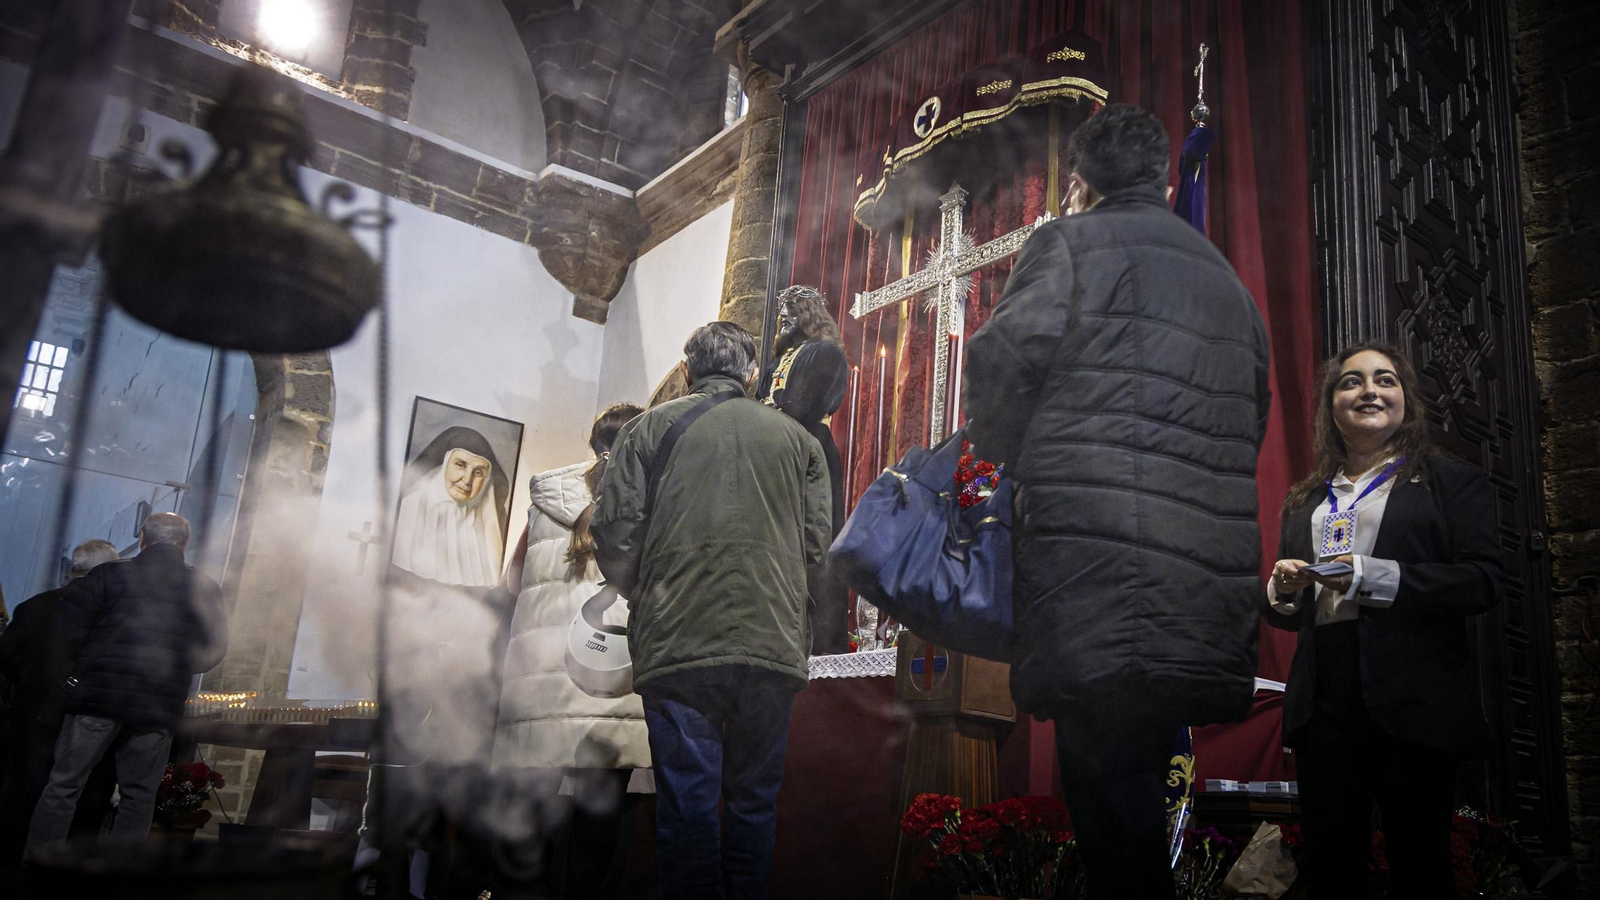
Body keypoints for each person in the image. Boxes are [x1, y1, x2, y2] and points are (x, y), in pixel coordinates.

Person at [962, 103, 1271, 900]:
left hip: (1093, 577)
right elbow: (1252, 421)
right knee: (1139, 809)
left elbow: (1000, 364)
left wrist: (1008, 454)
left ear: (1080, 185)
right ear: (1166, 179)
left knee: (1110, 820)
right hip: (1200, 589)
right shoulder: (1230, 288)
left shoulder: (1065, 243)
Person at [591, 322, 830, 900]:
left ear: (690, 369)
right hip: (771, 642)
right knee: (752, 804)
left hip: (679, 641)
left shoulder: (647, 431)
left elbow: (615, 533)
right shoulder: (799, 441)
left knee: (689, 805)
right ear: (752, 374)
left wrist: (645, 593)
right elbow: (817, 544)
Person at [1264, 343, 1504, 899]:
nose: (1369, 390)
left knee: (1420, 864)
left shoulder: (1449, 483)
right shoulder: (1306, 500)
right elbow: (1291, 617)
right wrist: (1282, 587)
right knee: (1329, 868)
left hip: (1415, 693)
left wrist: (1372, 576)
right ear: (1332, 406)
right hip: (1325, 696)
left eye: (1385, 380)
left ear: (1406, 400)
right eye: (1351, 382)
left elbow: (1483, 580)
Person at [492, 403, 651, 900]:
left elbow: (513, 584)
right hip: (606, 688)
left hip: (538, 684)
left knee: (529, 823)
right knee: (597, 828)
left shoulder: (545, 498)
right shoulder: (650, 502)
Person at [23, 513, 227, 859]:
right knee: (139, 795)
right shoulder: (203, 587)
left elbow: (67, 632)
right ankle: (120, 874)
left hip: (96, 699)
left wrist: (74, 677)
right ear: (184, 542)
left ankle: (40, 865)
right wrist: (176, 669)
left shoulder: (108, 575)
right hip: (156, 704)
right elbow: (213, 650)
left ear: (143, 538)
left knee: (64, 785)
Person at [0, 540, 121, 872]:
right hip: (88, 723)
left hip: (31, 724)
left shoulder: (32, 606)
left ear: (73, 568)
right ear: (106, 571)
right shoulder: (110, 616)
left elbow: (7, 657)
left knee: (23, 802)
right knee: (82, 805)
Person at [760, 285, 851, 654]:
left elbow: (804, 406)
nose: (784, 318)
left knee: (813, 540)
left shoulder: (825, 354)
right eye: (782, 312)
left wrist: (769, 416)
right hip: (772, 451)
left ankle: (818, 639)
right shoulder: (777, 361)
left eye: (793, 311)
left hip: (807, 450)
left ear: (810, 314)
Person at [392, 426, 511, 588]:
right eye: (461, 465)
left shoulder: (487, 529)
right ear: (444, 465)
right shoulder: (410, 507)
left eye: (478, 473)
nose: (467, 480)